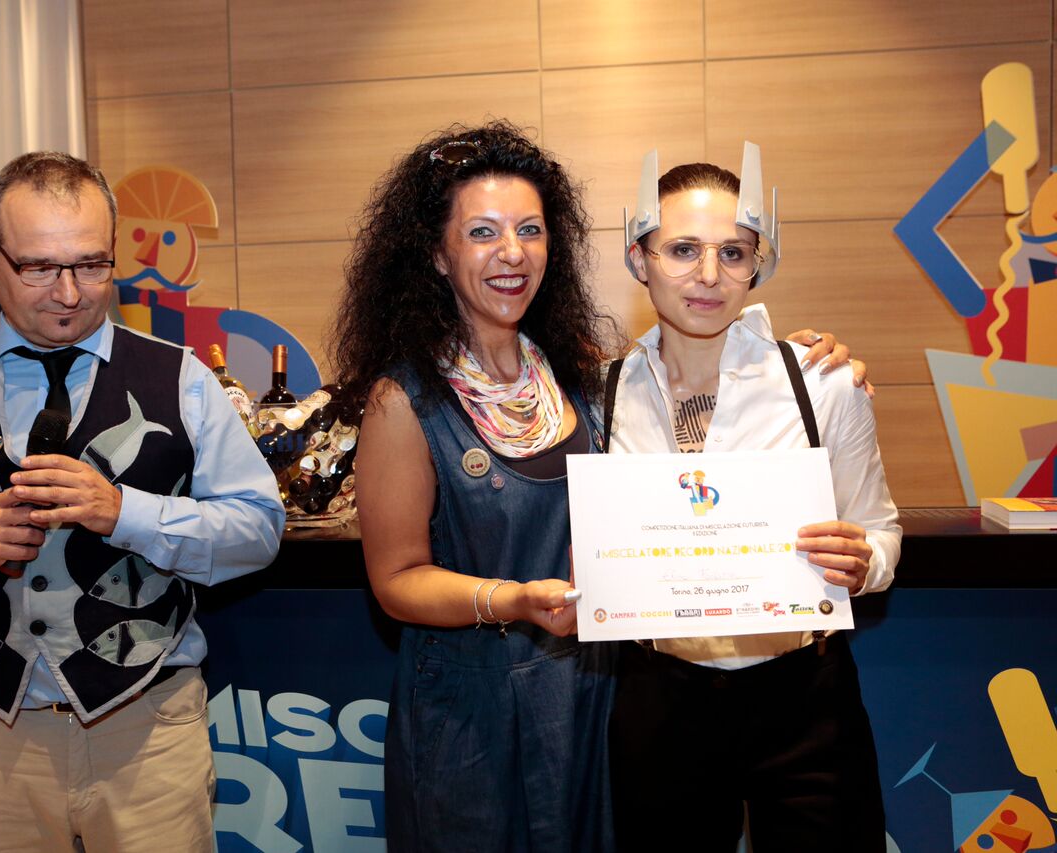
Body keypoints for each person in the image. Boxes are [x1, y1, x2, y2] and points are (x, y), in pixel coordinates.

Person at [335, 121, 862, 852]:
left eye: (530, 229)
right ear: (436, 252)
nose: (512, 252)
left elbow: (695, 366)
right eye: (483, 232)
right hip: (471, 708)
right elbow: (395, 581)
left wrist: (797, 356)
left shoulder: (582, 378)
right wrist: (514, 600)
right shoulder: (405, 401)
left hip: (587, 696)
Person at [0, 151, 285, 853]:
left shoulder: (184, 381)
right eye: (39, 267)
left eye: (91, 264)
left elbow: (258, 529)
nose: (70, 293)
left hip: (148, 731)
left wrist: (126, 513)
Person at [603, 151, 900, 851]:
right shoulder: (599, 394)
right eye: (683, 249)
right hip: (660, 696)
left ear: (757, 267)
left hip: (806, 697)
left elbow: (880, 530)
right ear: (639, 258)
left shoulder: (823, 384)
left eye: (733, 253)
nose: (709, 275)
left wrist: (865, 562)